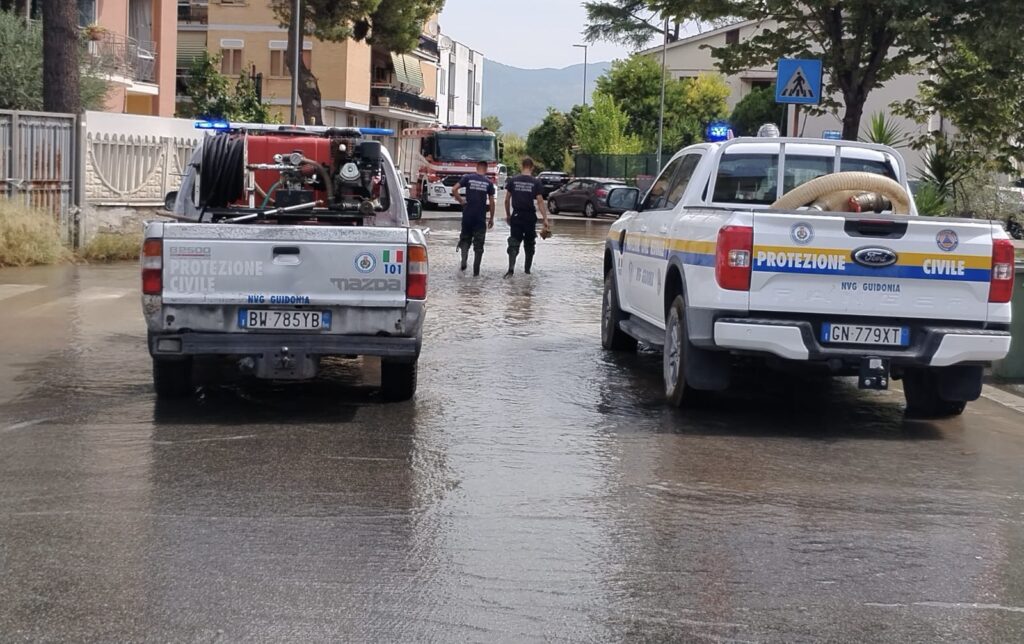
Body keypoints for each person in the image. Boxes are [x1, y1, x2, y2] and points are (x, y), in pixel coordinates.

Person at [503, 157, 550, 277]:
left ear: (521, 166)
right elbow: (540, 202)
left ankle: (510, 269)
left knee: (514, 242)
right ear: (532, 167)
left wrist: (508, 215)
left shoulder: (513, 180)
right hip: (529, 217)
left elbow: (507, 200)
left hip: (517, 215)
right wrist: (545, 218)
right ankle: (527, 271)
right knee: (529, 243)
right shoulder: (535, 182)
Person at [452, 160, 495, 276]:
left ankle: (464, 261)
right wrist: (491, 218)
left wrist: (461, 201)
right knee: (479, 246)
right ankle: (476, 273)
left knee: (465, 239)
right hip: (480, 218)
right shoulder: (488, 183)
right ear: (486, 169)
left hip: (467, 216)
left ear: (476, 167)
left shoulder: (468, 178)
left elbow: (454, 189)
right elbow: (491, 201)